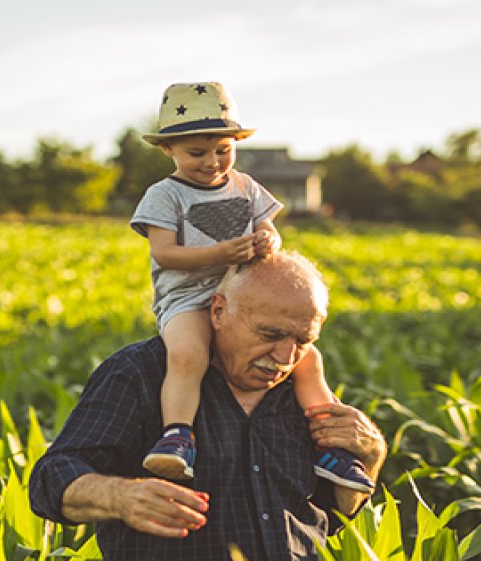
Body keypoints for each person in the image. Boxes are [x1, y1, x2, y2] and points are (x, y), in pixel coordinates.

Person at [29, 252, 388, 561]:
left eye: (303, 340)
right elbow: (51, 479)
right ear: (218, 311)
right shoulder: (141, 373)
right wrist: (122, 497)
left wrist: (370, 456)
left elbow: (329, 516)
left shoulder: (305, 398)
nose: (285, 356)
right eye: (270, 335)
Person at [130, 81, 373, 492]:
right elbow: (165, 254)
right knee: (188, 355)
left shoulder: (244, 186)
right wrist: (221, 252)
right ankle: (178, 435)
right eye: (197, 153)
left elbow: (270, 229)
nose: (212, 162)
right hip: (188, 299)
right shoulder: (164, 195)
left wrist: (267, 240)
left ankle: (334, 451)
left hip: (246, 294)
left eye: (223, 150)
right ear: (168, 150)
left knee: (307, 361)